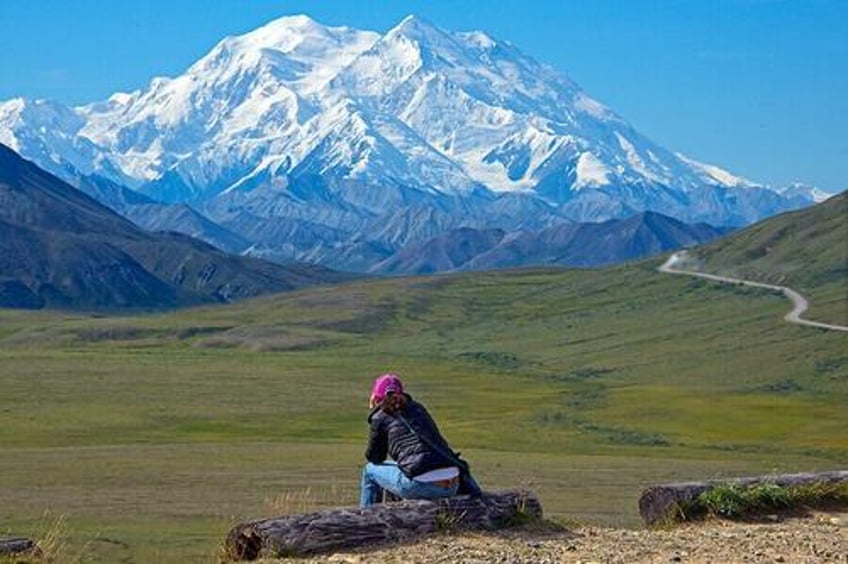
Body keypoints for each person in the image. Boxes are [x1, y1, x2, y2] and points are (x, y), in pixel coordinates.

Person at [359, 373, 481, 507]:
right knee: (401, 468)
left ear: (377, 397)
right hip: (453, 484)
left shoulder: (380, 417)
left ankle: (365, 515)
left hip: (420, 486)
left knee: (369, 470)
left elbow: (376, 457)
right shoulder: (418, 408)